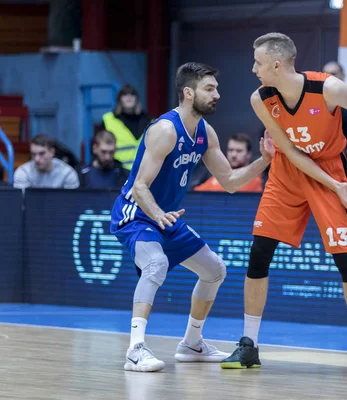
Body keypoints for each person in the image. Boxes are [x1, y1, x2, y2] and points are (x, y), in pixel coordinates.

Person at [220, 32, 347, 372]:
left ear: (277, 64)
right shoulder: (261, 99)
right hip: (287, 172)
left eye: (258, 62)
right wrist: (333, 186)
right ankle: (248, 344)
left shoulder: (326, 88)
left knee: (346, 260)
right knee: (259, 255)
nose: (253, 68)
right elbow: (290, 151)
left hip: (330, 168)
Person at [109, 62, 275, 372]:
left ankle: (191, 343)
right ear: (188, 93)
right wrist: (159, 216)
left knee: (215, 270)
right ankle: (135, 349)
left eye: (216, 88)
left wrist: (263, 161)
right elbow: (140, 187)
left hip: (166, 216)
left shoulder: (205, 132)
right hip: (138, 213)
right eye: (209, 89)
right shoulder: (164, 130)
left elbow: (229, 182)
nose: (218, 95)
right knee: (156, 264)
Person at [13, 134, 79, 189]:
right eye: (33, 154)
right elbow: (21, 202)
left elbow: (71, 203)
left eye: (41, 154)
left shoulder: (67, 174)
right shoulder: (23, 173)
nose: (37, 159)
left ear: (52, 152)